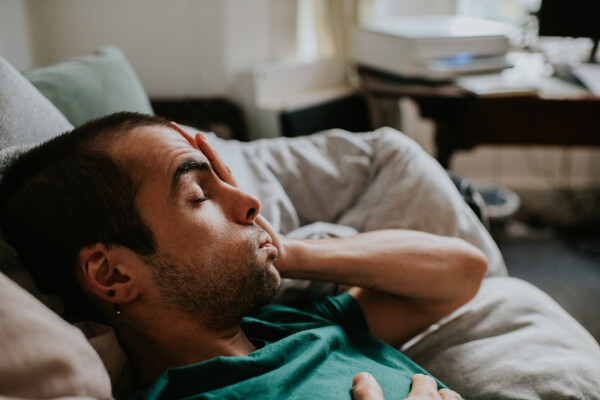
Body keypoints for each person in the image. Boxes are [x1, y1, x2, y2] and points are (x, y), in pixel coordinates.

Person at [0, 112, 486, 399]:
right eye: (198, 194)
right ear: (113, 274)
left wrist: (292, 253)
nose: (248, 201)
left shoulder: (294, 328)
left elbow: (464, 271)